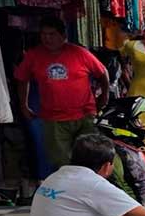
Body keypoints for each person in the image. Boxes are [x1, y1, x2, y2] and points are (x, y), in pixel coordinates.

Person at [13, 16, 112, 171]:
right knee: (62, 164)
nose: (47, 38)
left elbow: (102, 73)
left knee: (91, 161)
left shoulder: (79, 53)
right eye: (43, 34)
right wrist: (24, 105)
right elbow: (22, 79)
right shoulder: (33, 56)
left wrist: (104, 95)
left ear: (63, 36)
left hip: (84, 115)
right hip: (54, 119)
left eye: (51, 34)